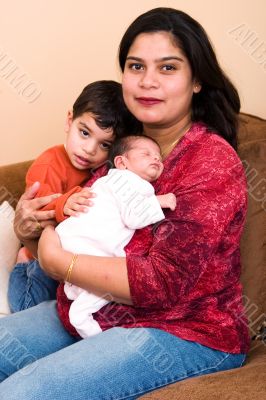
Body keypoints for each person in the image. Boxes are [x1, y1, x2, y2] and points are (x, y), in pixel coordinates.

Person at [0, 7, 250, 399]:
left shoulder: (211, 161)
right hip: (95, 311)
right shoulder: (120, 151)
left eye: (167, 68)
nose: (147, 81)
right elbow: (84, 231)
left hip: (186, 329)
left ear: (197, 79)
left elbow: (163, 283)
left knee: (21, 394)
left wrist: (56, 261)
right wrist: (30, 232)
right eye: (136, 66)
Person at [8, 80, 141, 312]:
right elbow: (38, 214)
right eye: (84, 132)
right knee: (30, 308)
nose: (89, 149)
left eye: (104, 144)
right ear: (70, 120)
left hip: (74, 262)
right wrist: (65, 202)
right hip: (37, 260)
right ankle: (22, 269)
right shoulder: (50, 164)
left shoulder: (105, 171)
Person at [57, 135, 176, 338]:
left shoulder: (108, 180)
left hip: (70, 239)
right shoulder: (128, 180)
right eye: (146, 154)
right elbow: (133, 217)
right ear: (122, 162)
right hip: (88, 243)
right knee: (106, 282)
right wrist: (160, 201)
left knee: (87, 281)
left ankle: (75, 293)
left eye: (158, 157)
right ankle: (86, 326)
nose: (156, 159)